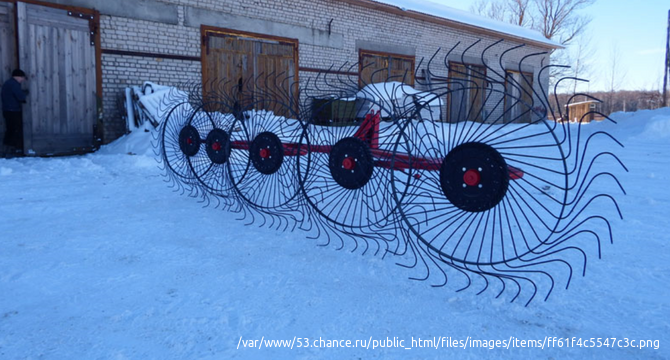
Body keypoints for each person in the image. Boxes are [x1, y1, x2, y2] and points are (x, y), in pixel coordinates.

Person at [1, 69, 28, 158]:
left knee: (10, 130)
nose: (22, 80)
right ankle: (11, 151)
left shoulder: (8, 84)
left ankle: (5, 150)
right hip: (13, 110)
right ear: (18, 76)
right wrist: (25, 94)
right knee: (14, 130)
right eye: (22, 78)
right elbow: (20, 96)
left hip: (7, 110)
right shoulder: (14, 84)